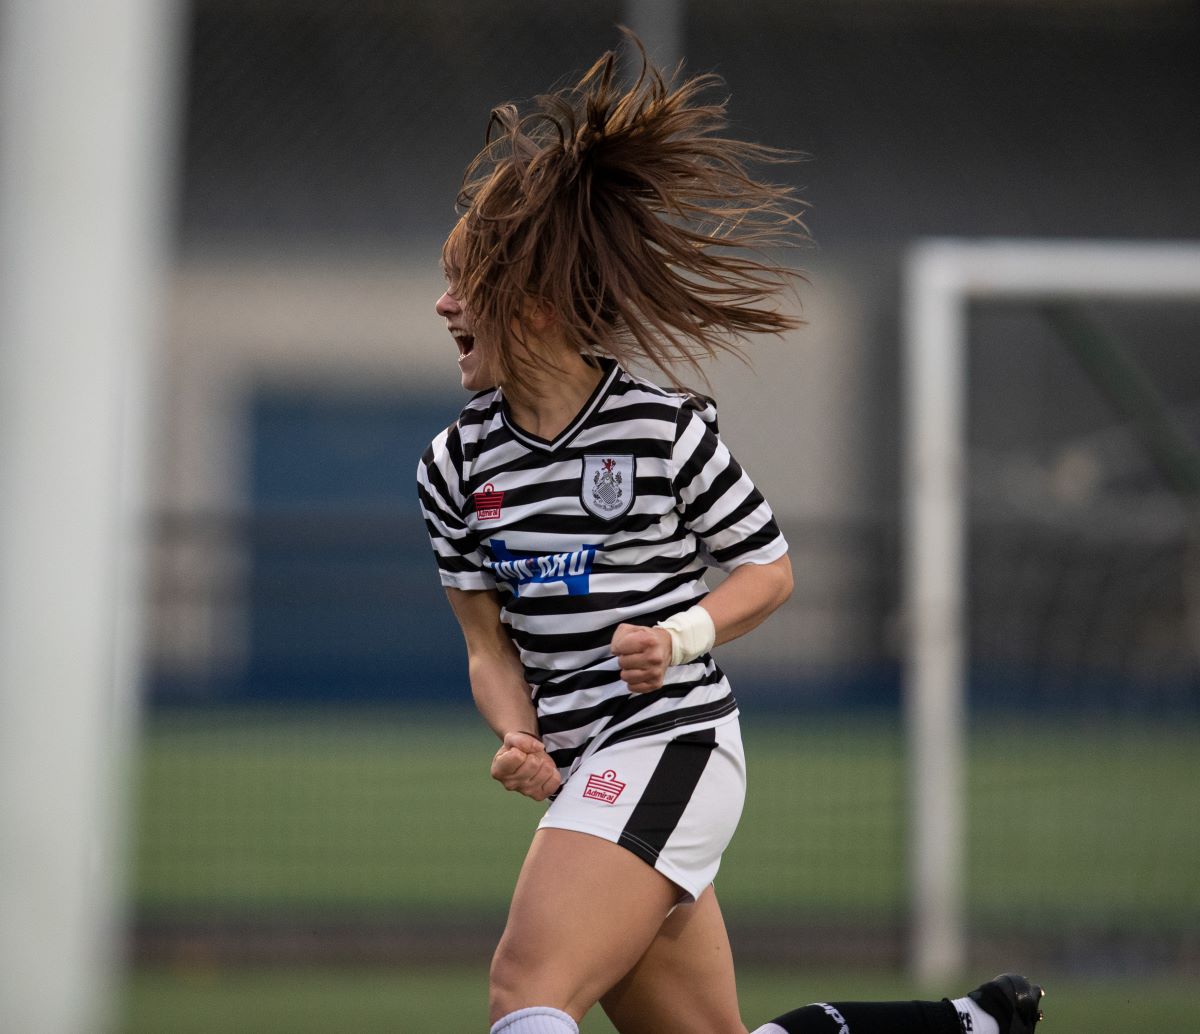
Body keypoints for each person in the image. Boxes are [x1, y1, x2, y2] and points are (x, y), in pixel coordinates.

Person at [417, 34, 1044, 1034]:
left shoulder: (660, 428)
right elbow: (485, 644)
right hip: (587, 770)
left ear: (532, 304)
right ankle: (966, 1022)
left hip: (674, 744)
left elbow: (770, 569)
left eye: (463, 285)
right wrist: (517, 732)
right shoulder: (453, 464)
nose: (443, 304)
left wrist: (677, 639)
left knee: (523, 989)